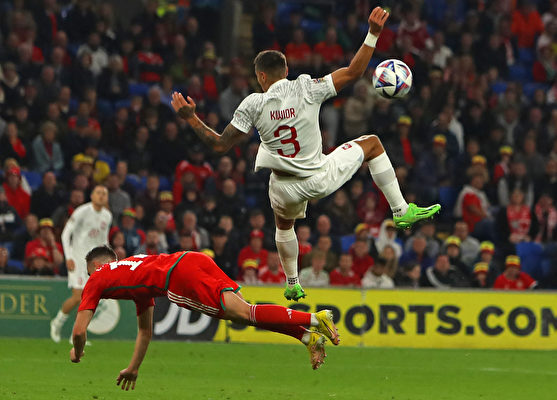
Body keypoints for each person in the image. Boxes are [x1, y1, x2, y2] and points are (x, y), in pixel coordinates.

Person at [171, 7, 440, 301]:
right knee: (373, 144)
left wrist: (191, 118)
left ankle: (292, 282)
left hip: (284, 187)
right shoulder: (306, 87)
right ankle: (400, 211)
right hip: (320, 177)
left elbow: (219, 145)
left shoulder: (253, 104)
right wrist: (373, 34)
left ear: (261, 76)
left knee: (284, 225)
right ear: (286, 71)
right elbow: (353, 72)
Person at [70, 246, 340, 382]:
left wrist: (78, 352)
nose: (90, 278)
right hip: (192, 258)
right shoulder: (134, 268)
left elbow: (79, 331)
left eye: (89, 272)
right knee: (244, 312)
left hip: (178, 277)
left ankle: (316, 319)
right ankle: (307, 337)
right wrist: (133, 368)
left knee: (243, 313)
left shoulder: (97, 277)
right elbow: (145, 331)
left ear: (97, 265)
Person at [50, 186, 112, 343]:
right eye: (98, 193)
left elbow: (104, 240)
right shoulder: (82, 211)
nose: (101, 196)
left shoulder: (107, 216)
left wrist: (108, 259)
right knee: (78, 296)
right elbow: (66, 233)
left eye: (104, 194)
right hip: (77, 259)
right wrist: (68, 257)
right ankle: (57, 323)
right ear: (92, 195)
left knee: (91, 299)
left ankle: (76, 335)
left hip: (94, 262)